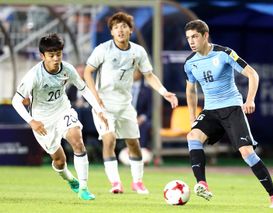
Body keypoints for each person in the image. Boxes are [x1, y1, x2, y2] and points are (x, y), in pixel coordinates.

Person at [183, 20, 273, 208]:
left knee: (247, 152)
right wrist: (192, 117)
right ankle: (202, 183)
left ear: (205, 36)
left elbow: (253, 74)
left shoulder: (224, 53)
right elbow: (191, 91)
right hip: (211, 111)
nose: (191, 41)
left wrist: (250, 99)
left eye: (195, 36)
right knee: (193, 136)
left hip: (232, 108)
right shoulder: (190, 63)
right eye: (188, 38)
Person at [83, 12, 178, 194]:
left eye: (124, 27)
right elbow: (88, 71)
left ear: (131, 30)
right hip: (103, 105)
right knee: (109, 139)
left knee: (133, 143)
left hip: (125, 105)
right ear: (111, 32)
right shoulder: (103, 49)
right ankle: (116, 183)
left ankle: (138, 182)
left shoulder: (138, 51)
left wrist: (164, 92)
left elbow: (148, 75)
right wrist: (95, 97)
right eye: (116, 27)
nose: (120, 30)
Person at [11, 33, 108, 201]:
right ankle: (71, 180)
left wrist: (98, 109)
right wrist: (32, 121)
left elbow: (83, 89)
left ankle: (84, 188)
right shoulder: (34, 76)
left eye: (59, 54)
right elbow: (16, 101)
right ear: (42, 56)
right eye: (51, 55)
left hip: (63, 111)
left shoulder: (67, 69)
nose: (56, 59)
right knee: (59, 160)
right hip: (42, 121)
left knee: (77, 140)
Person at [131, 70, 152, 149]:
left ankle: (141, 149)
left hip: (141, 119)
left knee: (145, 125)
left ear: (140, 73)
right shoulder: (124, 88)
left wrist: (141, 118)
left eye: (134, 71)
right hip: (126, 117)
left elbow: (150, 109)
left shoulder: (147, 90)